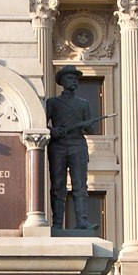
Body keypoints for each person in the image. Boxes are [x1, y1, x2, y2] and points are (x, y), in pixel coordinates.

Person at [47, 66, 95, 230]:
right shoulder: (52, 102)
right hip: (58, 146)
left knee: (80, 185)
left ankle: (82, 221)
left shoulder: (84, 104)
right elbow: (42, 126)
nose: (74, 81)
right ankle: (57, 223)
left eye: (75, 78)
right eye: (70, 78)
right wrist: (52, 130)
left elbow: (91, 129)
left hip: (77, 145)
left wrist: (88, 125)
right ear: (62, 81)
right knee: (58, 185)